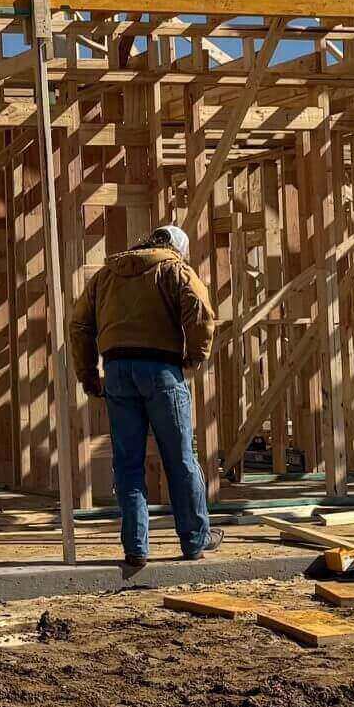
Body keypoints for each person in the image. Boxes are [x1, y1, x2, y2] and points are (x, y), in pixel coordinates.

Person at [70, 223, 218, 568]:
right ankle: (195, 541)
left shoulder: (106, 275)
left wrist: (89, 374)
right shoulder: (174, 269)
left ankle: (136, 547)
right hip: (161, 369)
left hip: (118, 371)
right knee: (180, 458)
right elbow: (200, 310)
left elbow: (80, 326)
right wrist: (194, 357)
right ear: (176, 249)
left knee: (127, 462)